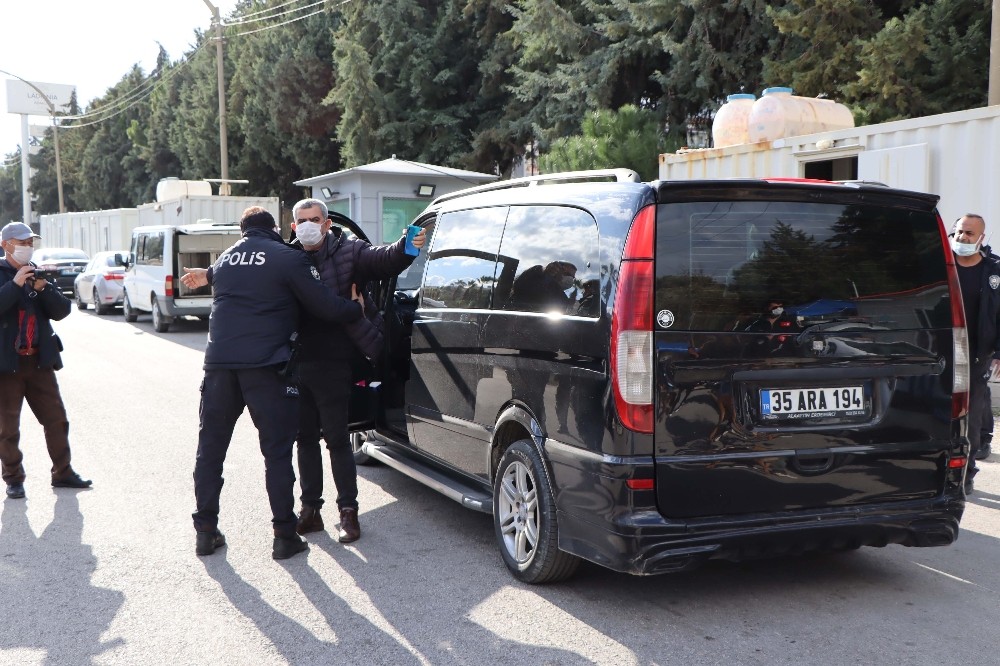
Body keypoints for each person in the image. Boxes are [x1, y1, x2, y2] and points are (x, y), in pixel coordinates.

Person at [180, 207, 365, 560]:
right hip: (266, 368)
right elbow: (325, 306)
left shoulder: (226, 259)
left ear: (242, 231)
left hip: (218, 366)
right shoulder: (287, 257)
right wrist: (355, 309)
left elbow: (214, 275)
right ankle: (284, 535)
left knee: (210, 450)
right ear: (277, 229)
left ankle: (205, 530)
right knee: (277, 453)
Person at [290, 198, 424, 542]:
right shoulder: (288, 258)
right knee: (304, 439)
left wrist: (407, 246)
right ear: (293, 227)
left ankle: (348, 513)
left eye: (314, 219)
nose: (308, 225)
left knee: (336, 439)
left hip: (336, 361)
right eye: (301, 220)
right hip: (298, 362)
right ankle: (310, 511)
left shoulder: (349, 251)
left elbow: (385, 259)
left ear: (326, 223)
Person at [0, 222, 92, 499]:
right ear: (6, 245)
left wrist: (43, 288)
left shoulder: (37, 272)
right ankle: (14, 479)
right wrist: (15, 285)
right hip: (7, 365)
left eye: (31, 243)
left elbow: (62, 311)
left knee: (56, 419)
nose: (28, 248)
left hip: (39, 361)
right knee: (7, 427)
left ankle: (62, 472)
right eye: (23, 242)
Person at [950, 213, 1000, 494]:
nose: (963, 238)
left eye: (969, 234)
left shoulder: (994, 271)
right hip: (943, 351)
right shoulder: (941, 266)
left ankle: (966, 473)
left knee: (969, 418)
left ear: (981, 238)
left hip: (977, 354)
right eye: (959, 232)